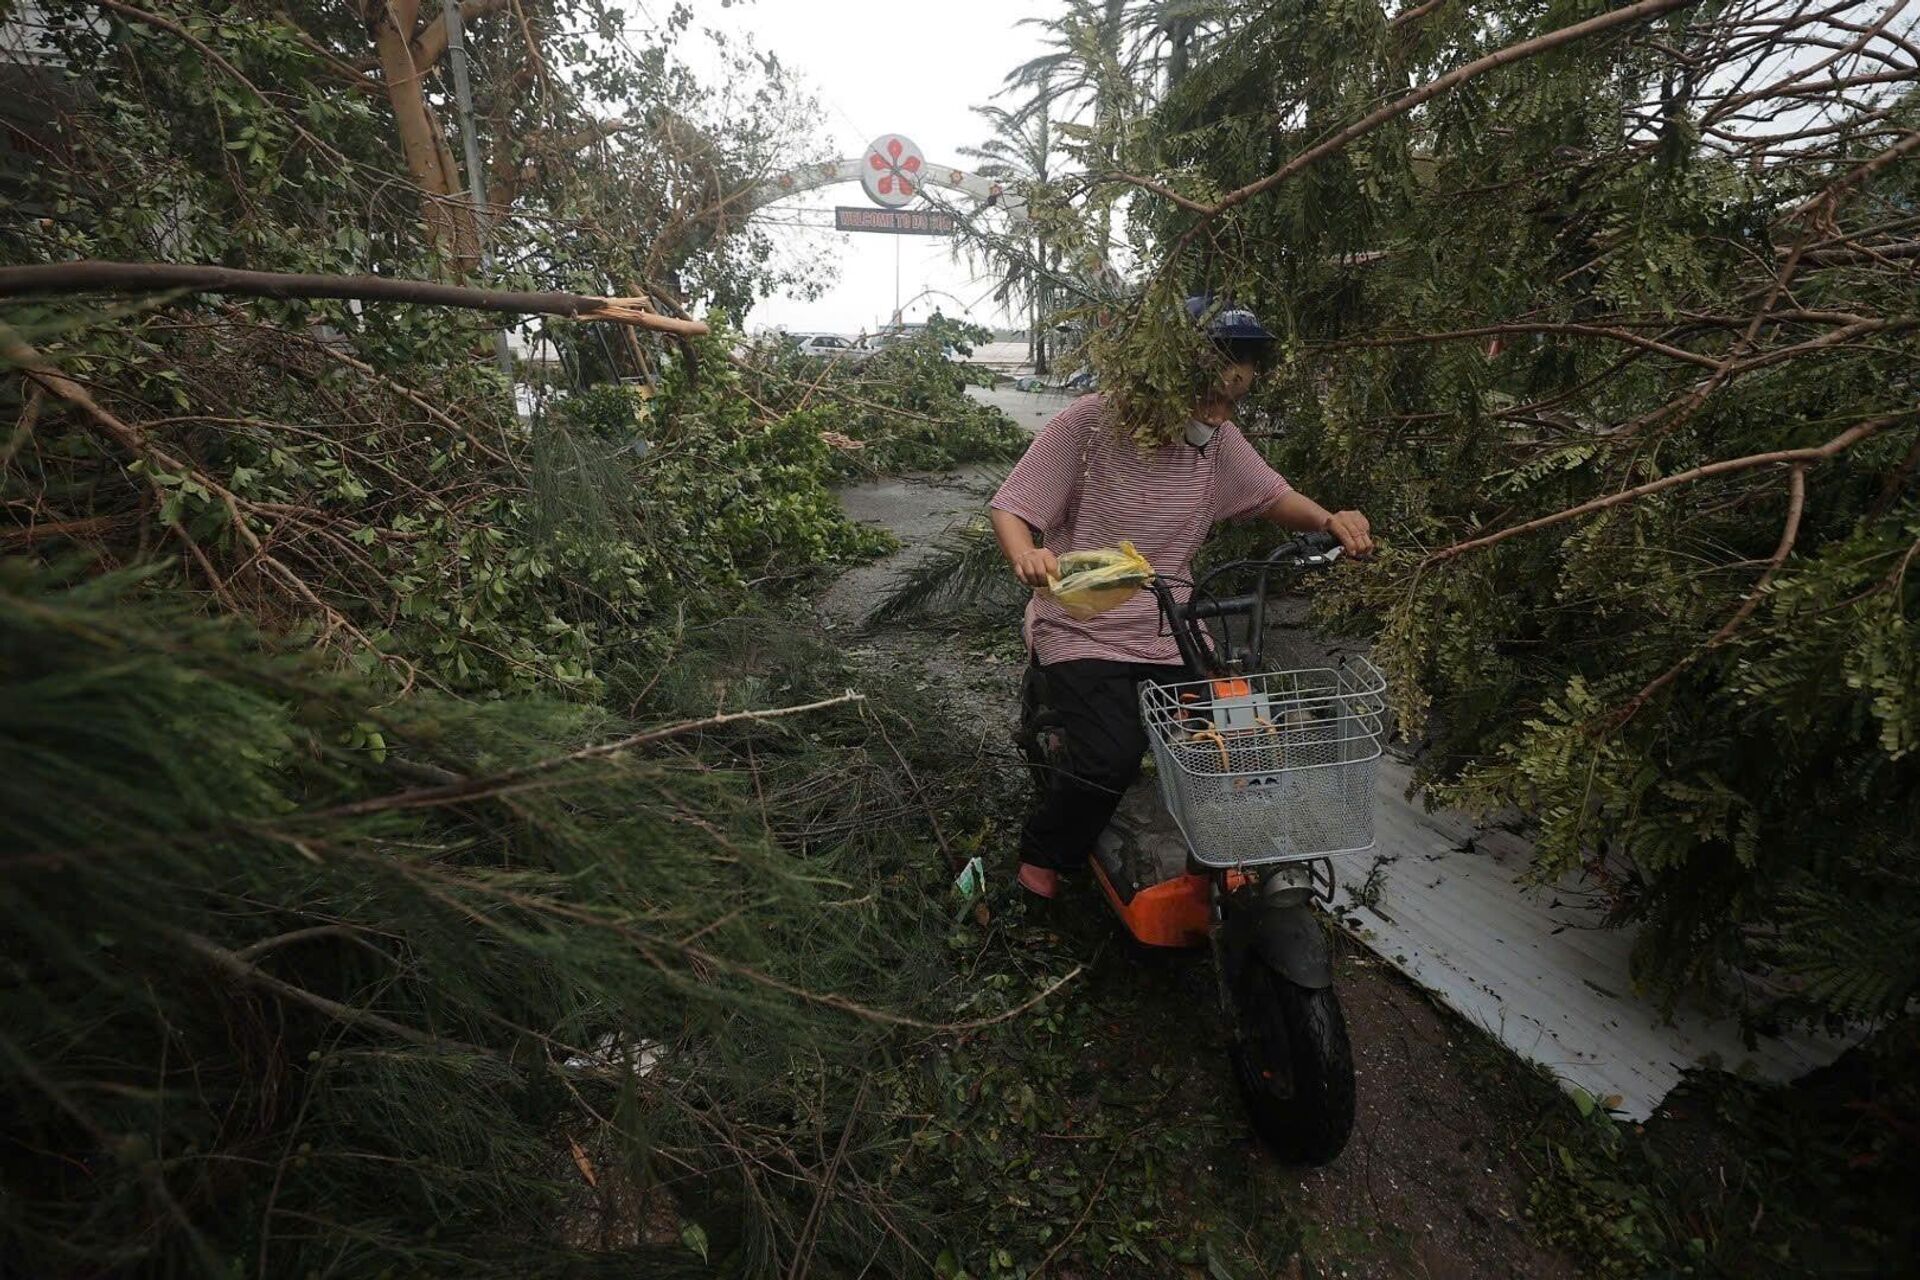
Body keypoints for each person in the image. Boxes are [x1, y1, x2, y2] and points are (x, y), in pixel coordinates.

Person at [988, 297, 1374, 902]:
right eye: (1208, 398)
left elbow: (1272, 497)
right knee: (1111, 759)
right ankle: (1042, 859)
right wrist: (1027, 555)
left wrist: (1329, 520)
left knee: (1241, 746)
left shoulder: (1218, 442)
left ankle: (1232, 867)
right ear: (1169, 375)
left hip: (1173, 620)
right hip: (1085, 619)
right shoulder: (1089, 424)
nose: (1217, 414)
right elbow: (1013, 505)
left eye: (1231, 401)